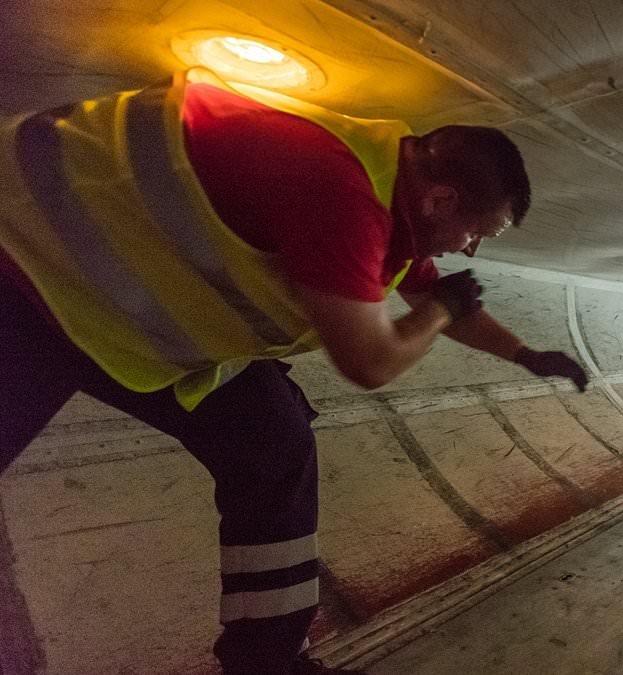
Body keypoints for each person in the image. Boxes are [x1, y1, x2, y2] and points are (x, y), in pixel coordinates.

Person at [0, 68, 588, 675]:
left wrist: (524, 355)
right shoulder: (341, 195)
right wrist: (441, 311)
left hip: (115, 317)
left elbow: (428, 293)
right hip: (24, 265)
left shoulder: (392, 196)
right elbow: (371, 360)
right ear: (440, 199)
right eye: (476, 234)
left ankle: (267, 661)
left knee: (273, 440)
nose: (471, 249)